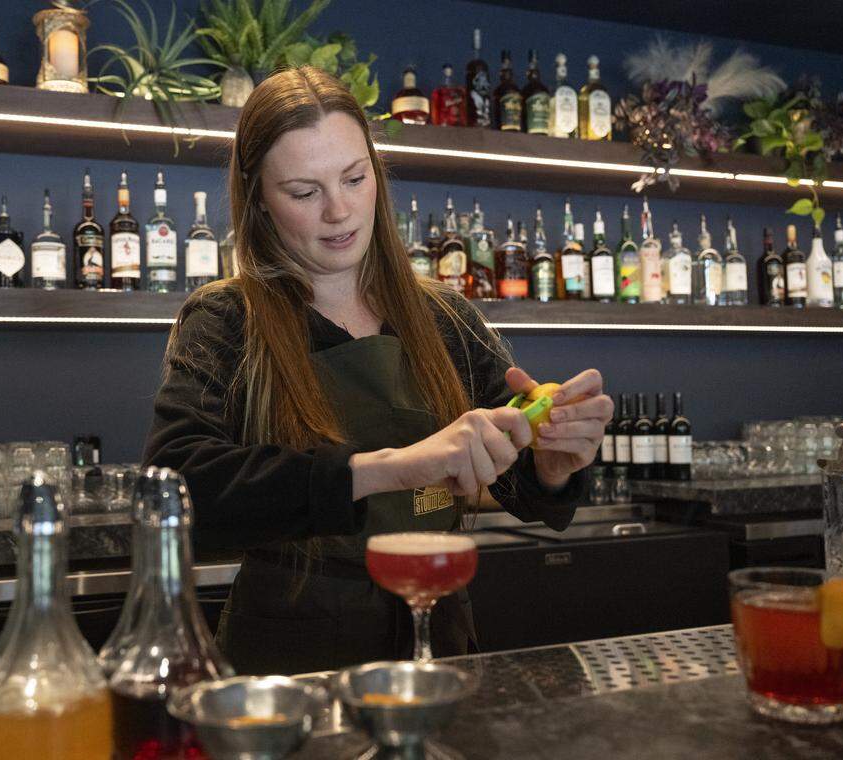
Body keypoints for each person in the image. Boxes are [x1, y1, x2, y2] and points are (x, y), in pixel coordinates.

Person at [143, 66, 612, 675]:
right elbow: (177, 486)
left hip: (435, 642)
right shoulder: (228, 319)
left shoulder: (444, 318)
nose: (339, 211)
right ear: (258, 198)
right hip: (292, 658)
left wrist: (551, 462)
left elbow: (524, 484)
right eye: (304, 192)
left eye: (354, 178)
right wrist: (399, 466)